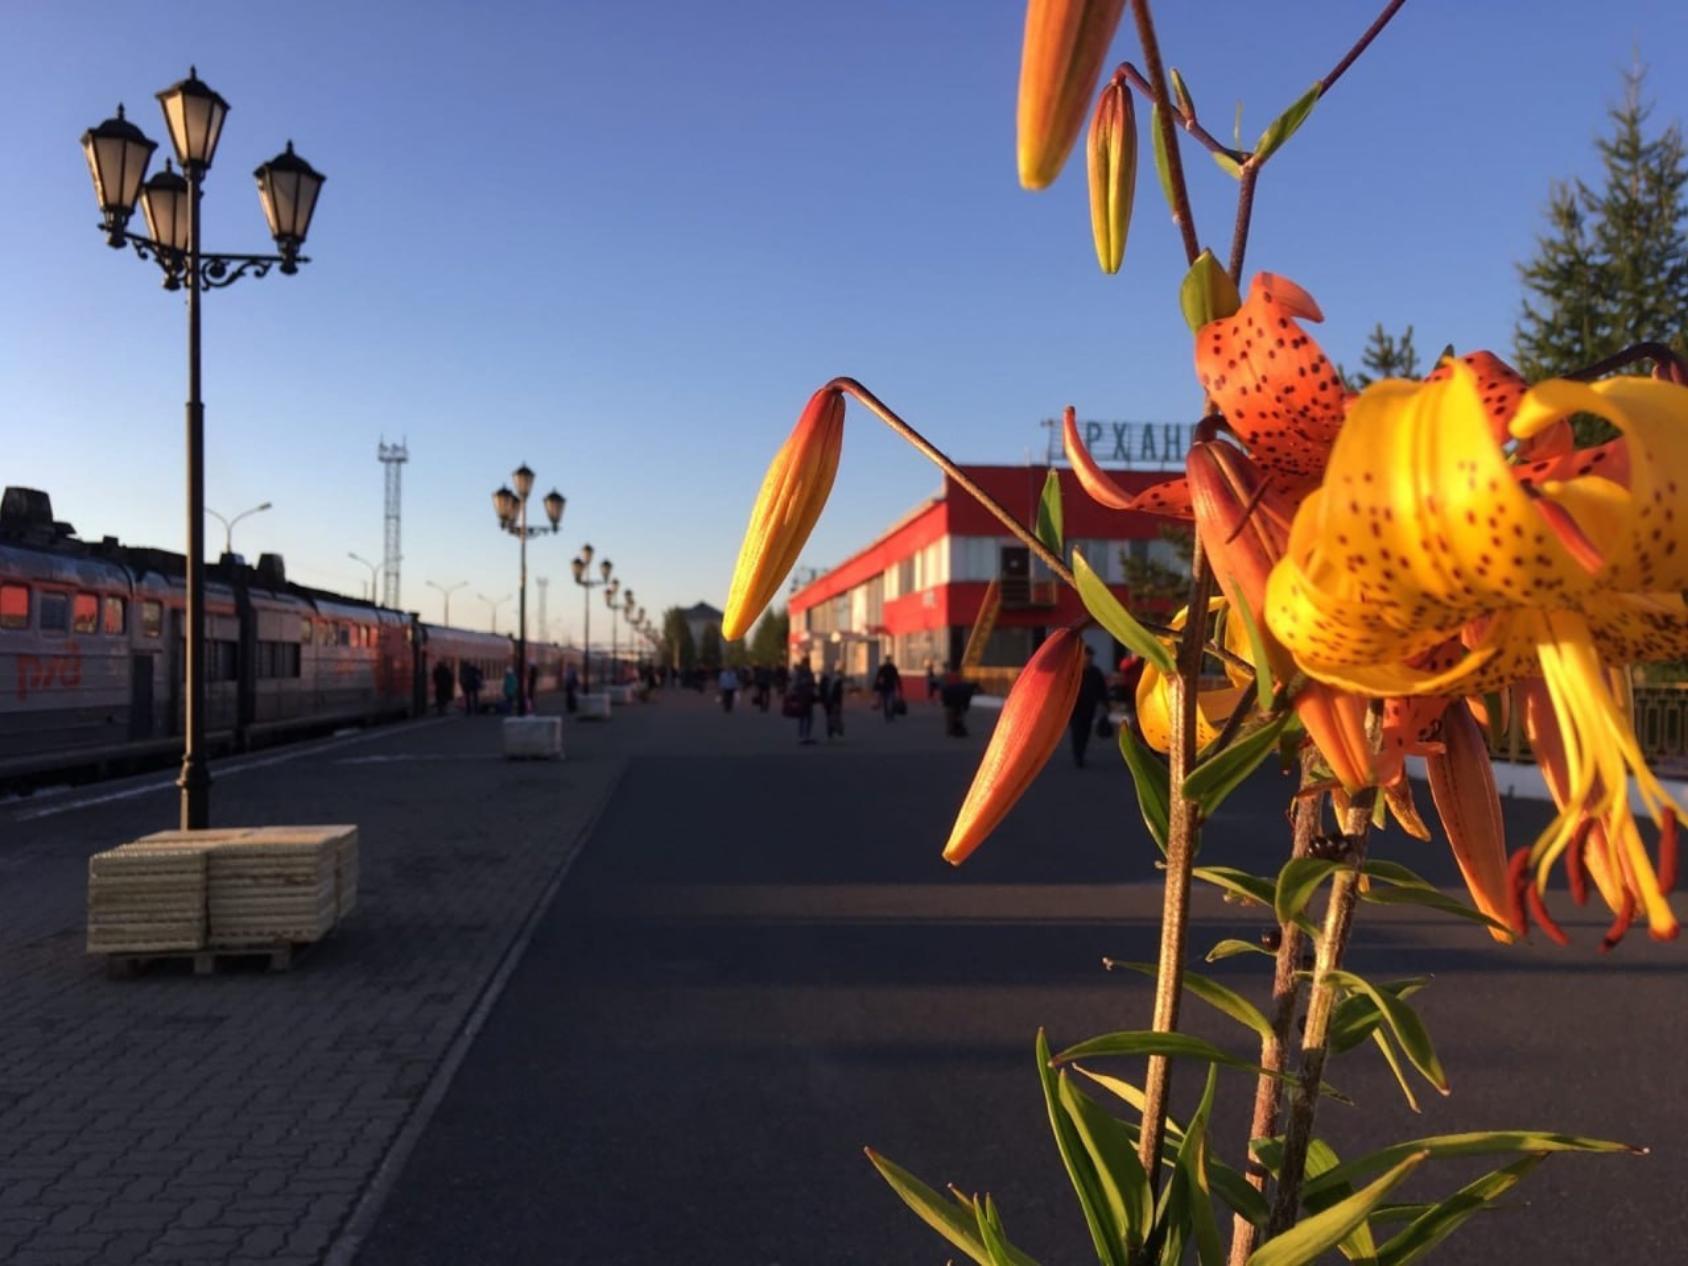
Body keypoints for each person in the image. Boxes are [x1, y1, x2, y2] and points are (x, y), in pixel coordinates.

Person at [1069, 645, 1109, 767]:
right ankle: (1078, 756)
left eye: (1090, 656)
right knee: (1076, 732)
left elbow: (1102, 690)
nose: (1088, 659)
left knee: (1085, 732)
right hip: (1075, 708)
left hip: (1089, 708)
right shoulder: (1074, 672)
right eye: (1086, 656)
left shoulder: (1096, 673)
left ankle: (1081, 753)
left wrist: (1105, 705)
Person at [940, 663, 975, 738]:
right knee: (958, 714)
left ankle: (951, 729)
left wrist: (944, 702)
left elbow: (944, 690)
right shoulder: (961, 681)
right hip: (956, 698)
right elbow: (966, 697)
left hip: (952, 698)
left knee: (950, 714)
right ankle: (957, 728)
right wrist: (965, 706)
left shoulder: (947, 677)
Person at [790, 661, 817, 744]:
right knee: (806, 718)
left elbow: (796, 686)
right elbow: (811, 684)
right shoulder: (806, 674)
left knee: (805, 718)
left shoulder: (802, 674)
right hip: (805, 698)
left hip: (804, 698)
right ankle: (804, 736)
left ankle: (803, 736)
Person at [822, 669, 846, 739]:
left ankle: (835, 729)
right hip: (828, 701)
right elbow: (822, 690)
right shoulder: (825, 679)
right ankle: (832, 730)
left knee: (834, 716)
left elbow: (839, 693)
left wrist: (839, 703)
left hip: (833, 701)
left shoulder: (837, 681)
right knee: (830, 716)